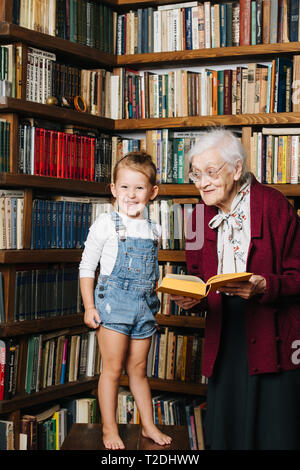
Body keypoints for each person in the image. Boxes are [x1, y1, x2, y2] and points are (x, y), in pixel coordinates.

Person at [171, 128, 300, 450]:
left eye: (211, 172)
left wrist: (265, 286)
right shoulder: (198, 218)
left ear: (237, 169)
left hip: (273, 337)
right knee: (226, 433)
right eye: (196, 174)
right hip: (224, 334)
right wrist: (191, 300)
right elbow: (199, 278)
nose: (203, 182)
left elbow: (298, 275)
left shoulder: (273, 204)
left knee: (274, 433)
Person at [79, 152, 172, 450]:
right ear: (113, 189)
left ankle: (148, 425)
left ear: (153, 192)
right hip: (112, 305)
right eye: (125, 187)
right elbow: (86, 267)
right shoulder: (106, 224)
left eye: (139, 188)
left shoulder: (155, 229)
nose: (131, 195)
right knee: (112, 370)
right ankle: (109, 428)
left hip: (144, 307)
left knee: (139, 370)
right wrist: (89, 307)